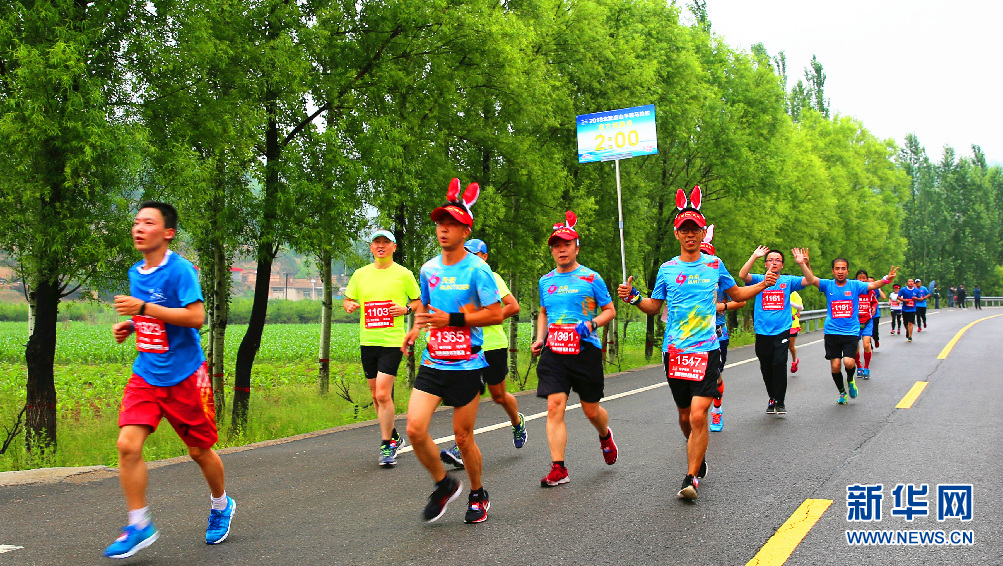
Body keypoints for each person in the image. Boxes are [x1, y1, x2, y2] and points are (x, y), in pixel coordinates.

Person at [618, 186, 775, 500]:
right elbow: (654, 306)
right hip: (675, 352)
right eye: (684, 229)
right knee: (684, 416)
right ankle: (698, 455)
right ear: (677, 234)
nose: (690, 234)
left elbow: (737, 295)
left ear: (703, 233)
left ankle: (690, 477)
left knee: (698, 415)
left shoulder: (714, 266)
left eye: (695, 229)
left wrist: (761, 284)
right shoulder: (667, 269)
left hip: (706, 349)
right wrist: (634, 298)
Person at [105, 201, 234, 559]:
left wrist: (142, 309)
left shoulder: (180, 271)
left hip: (185, 376)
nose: (139, 228)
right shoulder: (136, 272)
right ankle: (138, 523)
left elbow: (194, 317)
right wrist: (131, 325)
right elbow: (155, 316)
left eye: (148, 222)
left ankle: (221, 504)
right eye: (136, 222)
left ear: (167, 233)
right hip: (147, 374)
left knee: (198, 450)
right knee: (128, 445)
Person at [402, 179, 502, 524]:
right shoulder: (429, 269)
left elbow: (496, 313)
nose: (443, 229)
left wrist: (454, 319)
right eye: (439, 224)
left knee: (463, 436)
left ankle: (477, 493)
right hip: (434, 361)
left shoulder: (478, 269)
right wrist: (416, 328)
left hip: (467, 363)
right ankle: (444, 484)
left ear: (465, 229)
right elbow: (425, 311)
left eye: (451, 224)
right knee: (414, 429)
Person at [532, 211, 618, 488]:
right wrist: (539, 338)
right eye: (556, 245)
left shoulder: (591, 278)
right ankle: (559, 468)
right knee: (554, 406)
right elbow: (544, 312)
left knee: (591, 410)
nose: (561, 249)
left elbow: (610, 311)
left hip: (585, 351)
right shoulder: (546, 281)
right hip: (555, 352)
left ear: (576, 247)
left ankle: (605, 435)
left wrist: (591, 324)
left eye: (566, 244)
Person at [440, 238, 527, 469]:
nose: (469, 258)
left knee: (498, 396)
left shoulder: (492, 277)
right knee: (467, 397)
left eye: (475, 254)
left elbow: (513, 306)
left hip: (492, 344)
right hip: (467, 347)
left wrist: (487, 318)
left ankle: (517, 421)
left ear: (485, 257)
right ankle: (461, 445)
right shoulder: (458, 281)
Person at [343, 229, 422, 468]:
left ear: (394, 248)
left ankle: (387, 445)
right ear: (371, 248)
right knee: (375, 396)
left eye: (385, 242)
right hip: (368, 341)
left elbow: (418, 301)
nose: (381, 246)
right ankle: (395, 436)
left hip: (392, 341)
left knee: (382, 394)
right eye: (376, 242)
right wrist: (349, 305)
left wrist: (406, 310)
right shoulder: (360, 274)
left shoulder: (403, 274)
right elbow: (348, 298)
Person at [737, 246, 816, 415]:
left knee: (779, 363)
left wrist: (803, 264)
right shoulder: (758, 280)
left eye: (778, 260)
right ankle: (772, 397)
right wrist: (754, 256)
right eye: (770, 260)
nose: (774, 262)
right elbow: (742, 275)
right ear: (765, 264)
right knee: (766, 366)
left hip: (782, 329)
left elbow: (809, 280)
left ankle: (780, 401)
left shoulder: (787, 281)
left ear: (782, 266)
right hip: (762, 331)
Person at [810, 258, 897, 404]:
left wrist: (886, 279)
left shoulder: (855, 285)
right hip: (832, 332)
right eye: (837, 268)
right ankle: (842, 392)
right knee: (836, 365)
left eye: (843, 268)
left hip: (850, 331)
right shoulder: (827, 285)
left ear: (847, 271)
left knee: (849, 362)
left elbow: (874, 285)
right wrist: (803, 264)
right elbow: (811, 279)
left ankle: (850, 379)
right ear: (833, 271)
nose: (840, 271)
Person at [699, 233, 746, 432]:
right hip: (692, 335)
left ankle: (716, 410)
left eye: (706, 256)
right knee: (695, 378)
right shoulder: (684, 279)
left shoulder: (720, 277)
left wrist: (722, 307)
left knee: (714, 375)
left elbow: (741, 300)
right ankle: (696, 416)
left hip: (718, 335)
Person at [853, 270, 877, 378]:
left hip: (867, 321)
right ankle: (859, 366)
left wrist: (874, 307)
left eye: (864, 278)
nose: (862, 280)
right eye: (859, 278)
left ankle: (866, 367)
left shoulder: (870, 291)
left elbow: (874, 301)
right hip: (854, 322)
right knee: (855, 347)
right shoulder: (853, 290)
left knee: (866, 344)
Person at [867, 277, 885, 348]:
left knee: (875, 330)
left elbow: (883, 297)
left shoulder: (876, 290)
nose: (870, 284)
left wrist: (879, 288)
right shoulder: (863, 290)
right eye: (868, 282)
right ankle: (869, 345)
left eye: (872, 282)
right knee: (867, 332)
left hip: (875, 314)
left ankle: (876, 339)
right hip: (866, 314)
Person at [789, 290, 804, 372]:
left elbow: (800, 306)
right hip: (780, 323)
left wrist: (790, 302)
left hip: (792, 323)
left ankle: (794, 361)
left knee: (790, 346)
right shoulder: (777, 291)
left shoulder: (794, 294)